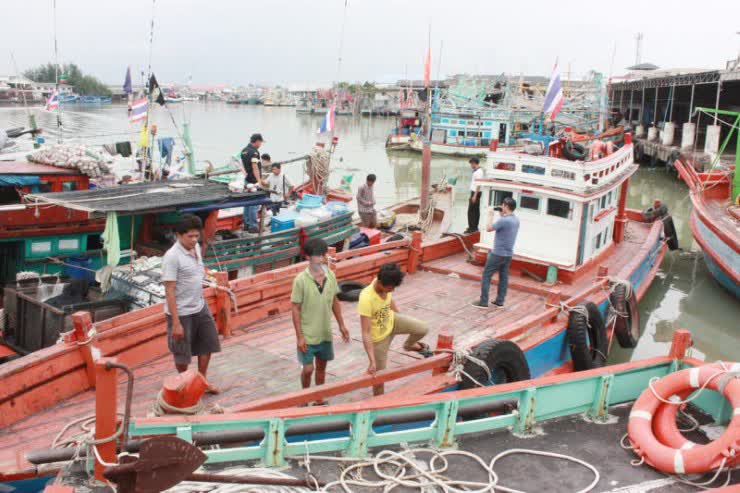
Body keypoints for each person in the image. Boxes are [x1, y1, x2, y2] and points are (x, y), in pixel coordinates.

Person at [162, 214, 221, 393]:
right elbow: (169, 290)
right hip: (181, 312)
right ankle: (185, 384)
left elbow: (198, 270)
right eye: (190, 236)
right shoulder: (172, 257)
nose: (194, 239)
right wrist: (176, 323)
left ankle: (201, 381)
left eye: (197, 235)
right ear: (178, 235)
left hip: (200, 305)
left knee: (208, 342)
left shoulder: (195, 248)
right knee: (182, 352)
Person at [358, 262, 432, 396]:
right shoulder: (366, 298)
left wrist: (401, 317)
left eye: (393, 288)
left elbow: (389, 301)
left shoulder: (383, 282)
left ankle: (409, 345)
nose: (392, 291)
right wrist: (372, 360)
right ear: (380, 282)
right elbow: (366, 332)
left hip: (392, 321)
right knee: (379, 377)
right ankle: (378, 403)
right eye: (389, 288)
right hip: (379, 339)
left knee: (423, 328)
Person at [291, 238, 349, 403]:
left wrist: (341, 325)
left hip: (325, 333)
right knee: (308, 369)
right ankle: (304, 397)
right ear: (308, 257)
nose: (322, 258)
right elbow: (295, 308)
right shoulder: (300, 280)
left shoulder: (330, 275)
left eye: (323, 254)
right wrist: (299, 336)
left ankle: (319, 398)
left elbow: (334, 301)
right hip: (308, 335)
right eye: (318, 255)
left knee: (322, 368)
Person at [471, 197, 520, 309]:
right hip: (508, 254)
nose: (501, 207)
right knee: (503, 277)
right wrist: (502, 214)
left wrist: (490, 215)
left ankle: (483, 301)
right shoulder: (516, 220)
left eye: (502, 205)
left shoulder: (504, 221)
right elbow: (505, 227)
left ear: (506, 206)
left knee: (486, 275)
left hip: (498, 253)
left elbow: (489, 228)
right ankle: (499, 301)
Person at [241, 133, 264, 232]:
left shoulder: (244, 150)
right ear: (257, 141)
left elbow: (242, 166)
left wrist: (246, 175)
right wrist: (259, 181)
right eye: (261, 142)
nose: (261, 144)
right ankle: (253, 226)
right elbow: (255, 167)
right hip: (253, 182)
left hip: (247, 180)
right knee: (254, 204)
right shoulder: (254, 152)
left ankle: (246, 224)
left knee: (247, 203)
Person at [465, 157, 484, 234]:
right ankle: (473, 227)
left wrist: (475, 196)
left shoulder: (479, 172)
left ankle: (472, 228)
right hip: (475, 192)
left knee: (471, 211)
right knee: (475, 210)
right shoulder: (477, 171)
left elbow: (478, 184)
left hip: (476, 192)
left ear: (474, 163)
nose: (471, 166)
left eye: (471, 164)